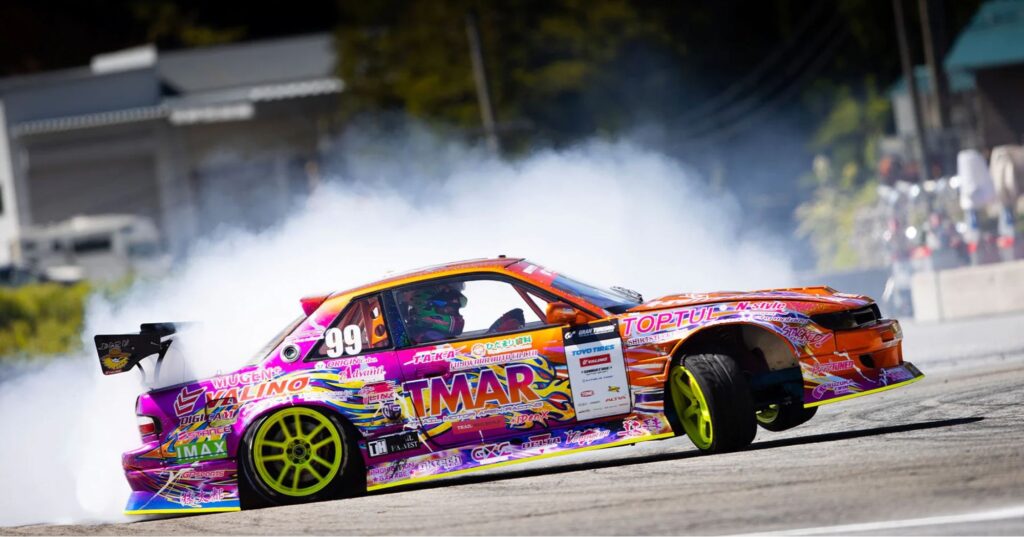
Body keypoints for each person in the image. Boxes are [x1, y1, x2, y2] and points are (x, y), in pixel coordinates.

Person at [399, 283, 467, 344]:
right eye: (452, 311)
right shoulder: (420, 338)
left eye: (454, 311)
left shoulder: (423, 338)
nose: (460, 316)